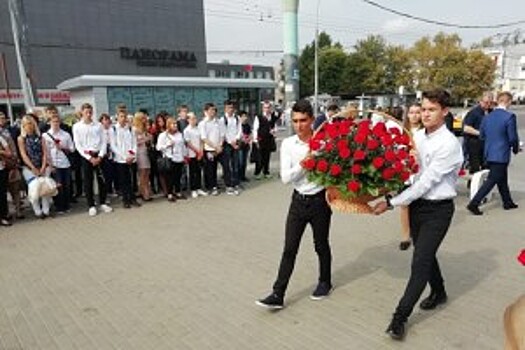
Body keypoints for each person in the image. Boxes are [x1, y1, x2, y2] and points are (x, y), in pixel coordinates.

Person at [373, 89, 463, 340]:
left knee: (420, 262)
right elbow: (410, 173)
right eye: (423, 109)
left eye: (431, 109)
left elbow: (426, 182)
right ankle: (439, 292)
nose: (425, 114)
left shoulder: (449, 145)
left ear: (444, 112)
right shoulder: (417, 137)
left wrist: (391, 203)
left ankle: (399, 318)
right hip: (417, 208)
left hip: (438, 210)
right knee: (425, 253)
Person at [256, 99, 333, 309]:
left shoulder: (323, 143)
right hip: (298, 202)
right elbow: (285, 177)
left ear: (311, 120)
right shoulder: (289, 144)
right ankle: (278, 293)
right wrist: (305, 163)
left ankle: (325, 281)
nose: (299, 125)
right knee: (289, 249)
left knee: (321, 245)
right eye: (295, 121)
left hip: (320, 201)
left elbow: (332, 172)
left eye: (303, 120)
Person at [466, 91, 520, 215]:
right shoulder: (509, 117)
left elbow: (482, 135)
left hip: (489, 153)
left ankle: (507, 202)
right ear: (509, 102)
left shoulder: (487, 117)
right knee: (493, 179)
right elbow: (512, 137)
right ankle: (474, 203)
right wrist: (516, 148)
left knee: (502, 178)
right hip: (501, 153)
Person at [72, 103, 113, 217]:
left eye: (90, 112)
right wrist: (89, 158)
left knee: (102, 180)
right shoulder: (77, 126)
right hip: (87, 157)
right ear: (82, 112)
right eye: (86, 112)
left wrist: (100, 156)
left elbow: (104, 141)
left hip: (99, 155)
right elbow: (78, 145)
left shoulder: (98, 125)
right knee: (88, 181)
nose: (89, 114)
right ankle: (91, 205)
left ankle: (103, 202)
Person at [18, 115, 54, 219]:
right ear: (23, 126)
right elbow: (23, 155)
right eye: (26, 124)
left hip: (43, 166)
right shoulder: (21, 139)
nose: (29, 126)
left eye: (31, 124)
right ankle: (37, 211)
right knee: (34, 189)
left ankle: (46, 210)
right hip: (29, 168)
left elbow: (44, 153)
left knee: (45, 188)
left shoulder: (40, 137)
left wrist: (43, 167)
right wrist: (33, 168)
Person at [398, 103, 423, 251]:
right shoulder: (402, 131)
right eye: (411, 112)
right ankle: (405, 235)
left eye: (417, 112)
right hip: (404, 171)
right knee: (404, 204)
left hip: (419, 172)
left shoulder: (425, 131)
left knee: (418, 205)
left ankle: (417, 232)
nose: (414, 115)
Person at [43, 112, 75, 214]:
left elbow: (72, 148)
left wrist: (63, 147)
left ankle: (66, 205)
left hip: (65, 163)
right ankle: (59, 206)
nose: (56, 123)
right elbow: (46, 152)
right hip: (54, 163)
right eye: (53, 122)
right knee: (57, 185)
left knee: (66, 185)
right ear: (49, 122)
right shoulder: (45, 136)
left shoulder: (65, 134)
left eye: (57, 121)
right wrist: (50, 165)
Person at [111, 110, 140, 209]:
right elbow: (113, 146)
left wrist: (132, 155)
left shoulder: (131, 129)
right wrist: (124, 157)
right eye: (121, 116)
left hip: (131, 158)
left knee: (132, 179)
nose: (123, 118)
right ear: (117, 118)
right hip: (121, 159)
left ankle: (132, 198)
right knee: (123, 180)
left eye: (125, 116)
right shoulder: (113, 129)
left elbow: (134, 143)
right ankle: (125, 199)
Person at [156, 117, 187, 202]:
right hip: (169, 158)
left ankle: (177, 192)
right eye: (173, 124)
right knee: (169, 178)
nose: (175, 125)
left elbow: (182, 145)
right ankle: (169, 194)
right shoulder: (163, 135)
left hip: (179, 158)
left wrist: (185, 155)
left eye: (176, 124)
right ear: (168, 125)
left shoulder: (179, 134)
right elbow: (158, 147)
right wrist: (167, 145)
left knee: (178, 176)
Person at [0, 112, 24, 220]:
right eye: (0, 118)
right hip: (3, 164)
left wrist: (16, 159)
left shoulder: (12, 130)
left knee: (15, 188)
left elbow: (16, 146)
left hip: (13, 163)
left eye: (3, 118)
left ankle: (18, 211)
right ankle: (6, 213)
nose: (2, 120)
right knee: (3, 191)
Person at [463, 92, 493, 174]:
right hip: (474, 143)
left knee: (486, 167)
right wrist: (480, 133)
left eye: (491, 103)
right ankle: (473, 184)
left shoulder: (491, 112)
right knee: (475, 167)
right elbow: (466, 128)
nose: (488, 104)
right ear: (481, 101)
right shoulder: (474, 112)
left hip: (487, 144)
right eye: (486, 102)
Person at [199, 103, 223, 196]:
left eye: (214, 109)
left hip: (218, 148)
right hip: (209, 149)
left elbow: (222, 135)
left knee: (215, 168)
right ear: (206, 111)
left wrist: (220, 146)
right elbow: (204, 138)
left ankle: (214, 184)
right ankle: (211, 187)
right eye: (211, 110)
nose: (213, 111)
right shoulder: (203, 123)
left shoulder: (218, 121)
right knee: (209, 169)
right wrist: (215, 147)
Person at [184, 112, 208, 198]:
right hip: (192, 154)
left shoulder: (198, 128)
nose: (194, 120)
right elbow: (188, 143)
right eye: (192, 118)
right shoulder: (186, 130)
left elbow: (201, 140)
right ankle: (193, 189)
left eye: (195, 118)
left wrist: (201, 151)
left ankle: (198, 188)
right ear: (188, 120)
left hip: (199, 153)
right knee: (192, 172)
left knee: (198, 171)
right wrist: (197, 151)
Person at [220, 100, 241, 195]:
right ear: (225, 108)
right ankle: (228, 185)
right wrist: (231, 142)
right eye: (228, 108)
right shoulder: (222, 119)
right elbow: (223, 133)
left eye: (232, 107)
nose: (230, 109)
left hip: (235, 143)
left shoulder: (236, 118)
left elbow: (239, 130)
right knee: (226, 166)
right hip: (227, 145)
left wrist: (236, 139)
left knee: (236, 165)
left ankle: (235, 183)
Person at [253, 101, 279, 179]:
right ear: (262, 108)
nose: (267, 109)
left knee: (267, 157)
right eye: (265, 107)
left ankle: (266, 172)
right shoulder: (258, 117)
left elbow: (275, 126)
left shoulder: (272, 116)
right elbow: (255, 129)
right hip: (260, 139)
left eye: (268, 107)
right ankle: (257, 173)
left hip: (269, 140)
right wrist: (255, 140)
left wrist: (274, 131)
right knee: (259, 157)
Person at [133, 112, 153, 201]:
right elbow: (134, 142)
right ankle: (145, 193)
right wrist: (145, 139)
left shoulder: (143, 129)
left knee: (147, 171)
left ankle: (143, 190)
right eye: (143, 119)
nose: (145, 120)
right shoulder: (134, 130)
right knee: (143, 172)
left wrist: (149, 138)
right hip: (139, 152)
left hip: (145, 151)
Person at [237, 110, 252, 182]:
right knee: (240, 162)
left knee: (244, 162)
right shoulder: (238, 125)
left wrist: (248, 139)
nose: (245, 118)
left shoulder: (247, 125)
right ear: (239, 117)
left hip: (246, 146)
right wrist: (242, 139)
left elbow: (250, 134)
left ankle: (243, 176)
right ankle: (238, 177)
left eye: (246, 116)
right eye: (243, 116)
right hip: (239, 146)